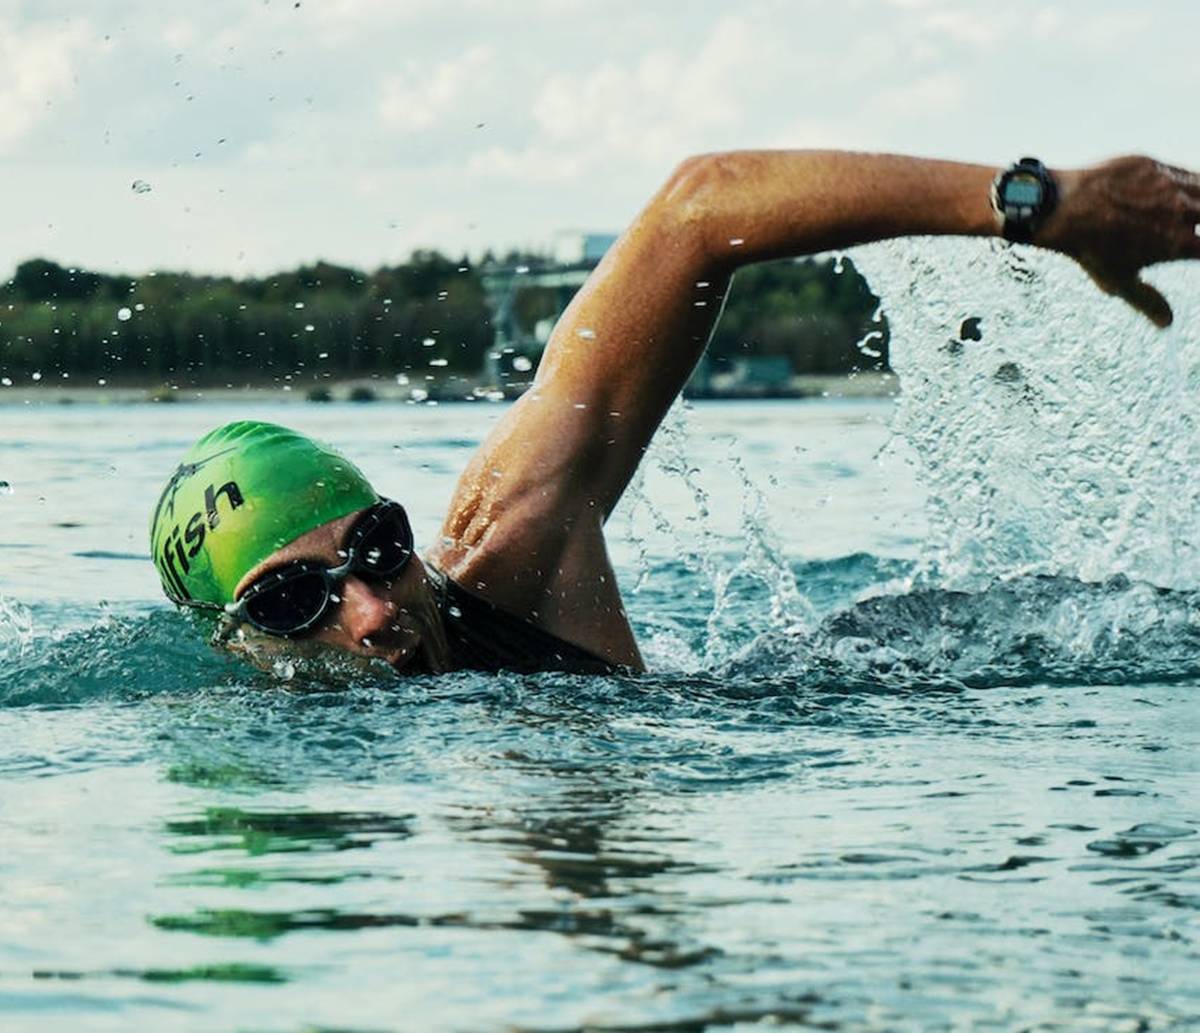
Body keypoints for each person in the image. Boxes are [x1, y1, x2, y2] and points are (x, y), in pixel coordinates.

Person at [150, 150, 1200, 676]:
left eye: (377, 549)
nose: (372, 613)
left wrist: (1040, 205)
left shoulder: (512, 549)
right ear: (235, 644)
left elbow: (698, 208)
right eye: (295, 603)